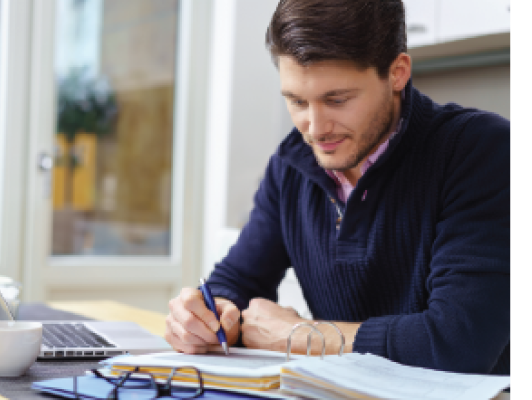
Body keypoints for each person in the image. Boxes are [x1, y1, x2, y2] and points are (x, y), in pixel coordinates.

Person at [166, 0, 511, 376]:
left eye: (337, 100)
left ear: (397, 73)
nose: (315, 128)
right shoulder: (292, 164)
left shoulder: (480, 151)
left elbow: (458, 344)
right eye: (297, 101)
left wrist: (299, 335)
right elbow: (237, 281)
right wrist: (205, 317)